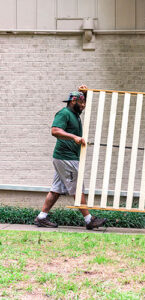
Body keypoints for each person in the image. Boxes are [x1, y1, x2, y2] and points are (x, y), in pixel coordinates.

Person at [35, 85, 107, 230]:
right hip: (65, 157)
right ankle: (89, 220)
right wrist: (74, 137)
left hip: (66, 157)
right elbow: (55, 130)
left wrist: (85, 94)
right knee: (77, 187)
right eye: (81, 103)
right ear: (73, 102)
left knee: (56, 190)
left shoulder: (75, 114)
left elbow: (83, 103)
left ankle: (41, 217)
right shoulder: (64, 113)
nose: (84, 105)